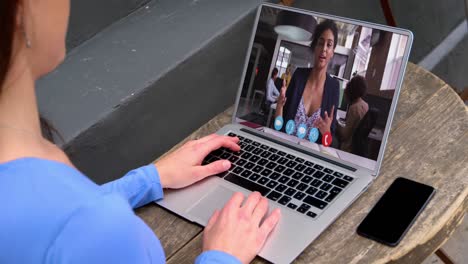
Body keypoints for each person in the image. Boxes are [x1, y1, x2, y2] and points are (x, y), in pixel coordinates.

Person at [0, 0, 281, 263]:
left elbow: (48, 218)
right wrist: (222, 256)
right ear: (23, 10)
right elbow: (73, 228)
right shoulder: (99, 233)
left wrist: (148, 179)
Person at [275, 20, 340, 143]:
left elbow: (327, 143)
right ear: (314, 46)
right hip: (286, 149)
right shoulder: (299, 75)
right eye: (320, 43)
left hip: (311, 158)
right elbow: (279, 127)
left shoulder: (334, 87)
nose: (324, 49)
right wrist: (279, 106)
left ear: (333, 52)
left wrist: (327, 132)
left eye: (329, 45)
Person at [336, 75, 369, 152]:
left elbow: (344, 136)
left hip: (347, 149)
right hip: (356, 149)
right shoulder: (365, 105)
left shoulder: (354, 108)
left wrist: (336, 123)